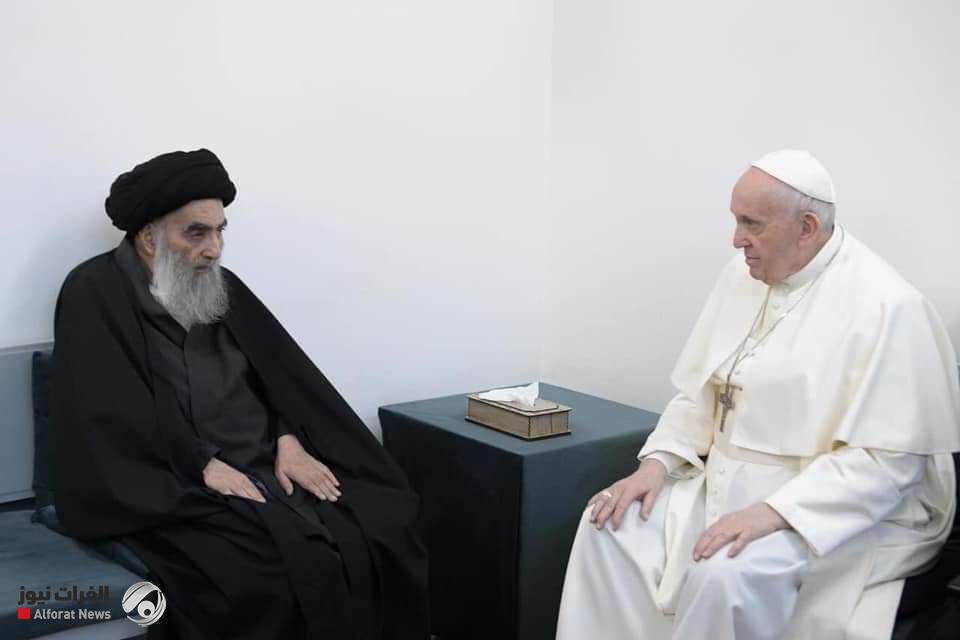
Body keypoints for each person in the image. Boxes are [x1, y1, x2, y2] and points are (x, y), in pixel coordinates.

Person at [556, 149, 960, 640]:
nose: (736, 239)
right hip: (723, 482)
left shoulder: (890, 306)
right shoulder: (741, 275)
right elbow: (701, 393)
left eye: (752, 224)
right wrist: (656, 464)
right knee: (607, 523)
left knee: (724, 574)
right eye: (736, 220)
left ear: (806, 227)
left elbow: (888, 463)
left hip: (831, 508)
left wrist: (775, 512)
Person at [51, 149, 430, 639]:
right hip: (177, 484)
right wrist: (201, 464)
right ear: (148, 236)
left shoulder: (219, 286)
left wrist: (289, 440)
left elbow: (282, 379)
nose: (214, 249)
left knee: (382, 521)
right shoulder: (93, 290)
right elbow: (106, 415)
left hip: (267, 463)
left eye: (220, 231)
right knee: (265, 577)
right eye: (196, 233)